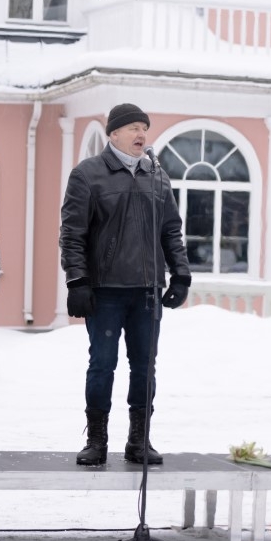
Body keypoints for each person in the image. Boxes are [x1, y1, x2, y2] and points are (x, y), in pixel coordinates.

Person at [60, 103, 191, 466]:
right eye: (133, 127)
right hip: (105, 291)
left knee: (144, 366)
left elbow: (171, 231)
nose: (141, 135)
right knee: (102, 364)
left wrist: (180, 274)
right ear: (113, 133)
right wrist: (77, 280)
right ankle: (97, 439)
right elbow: (72, 233)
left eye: (144, 128)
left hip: (146, 292)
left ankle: (138, 440)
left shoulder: (157, 176)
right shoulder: (88, 174)